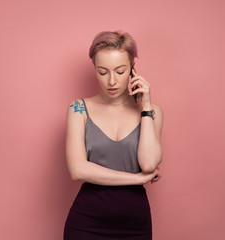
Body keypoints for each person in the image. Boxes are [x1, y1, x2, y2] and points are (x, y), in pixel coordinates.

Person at [63, 30, 163, 240]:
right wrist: (136, 179)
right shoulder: (79, 108)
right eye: (102, 72)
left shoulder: (152, 111)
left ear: (132, 69)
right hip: (86, 223)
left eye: (120, 71)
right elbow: (77, 170)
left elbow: (149, 164)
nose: (111, 81)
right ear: (94, 69)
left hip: (135, 224)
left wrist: (145, 106)